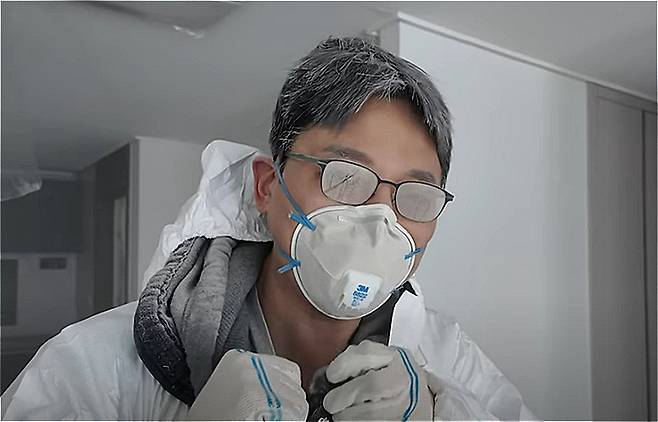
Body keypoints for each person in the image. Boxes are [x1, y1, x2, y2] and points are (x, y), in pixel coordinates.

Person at [1, 36, 537, 421]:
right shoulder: (97, 366)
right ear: (266, 186)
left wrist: (445, 414)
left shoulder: (448, 358)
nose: (382, 221)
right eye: (344, 177)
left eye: (416, 196)